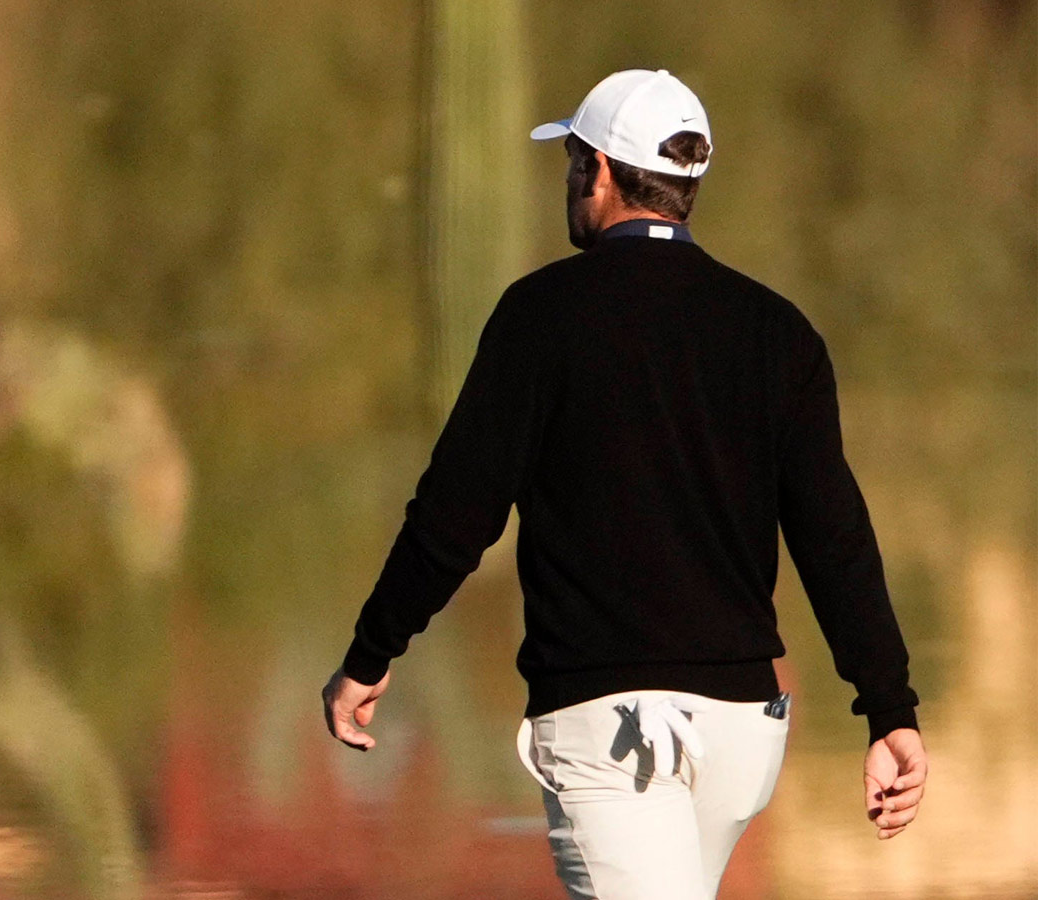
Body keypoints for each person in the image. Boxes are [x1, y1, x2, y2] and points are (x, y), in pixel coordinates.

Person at [319, 68, 928, 899]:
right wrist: (889, 705)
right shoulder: (777, 331)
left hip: (615, 734)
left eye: (572, 161)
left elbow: (455, 516)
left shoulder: (540, 315)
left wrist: (371, 651)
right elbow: (835, 538)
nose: (568, 182)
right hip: (743, 733)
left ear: (600, 171)